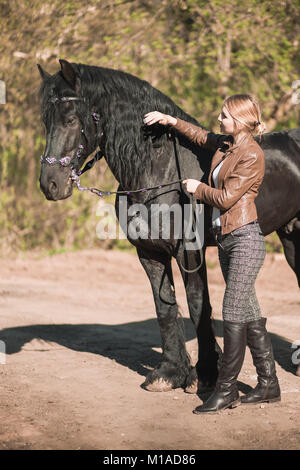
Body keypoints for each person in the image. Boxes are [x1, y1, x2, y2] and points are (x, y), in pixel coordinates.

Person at [143, 94, 281, 414]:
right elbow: (201, 136)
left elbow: (227, 197)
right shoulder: (228, 143)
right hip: (226, 240)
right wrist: (171, 121)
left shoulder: (250, 153)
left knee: (232, 313)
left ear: (240, 120)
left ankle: (226, 389)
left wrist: (196, 188)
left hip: (245, 239)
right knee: (249, 312)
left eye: (224, 116)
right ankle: (269, 383)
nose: (218, 119)